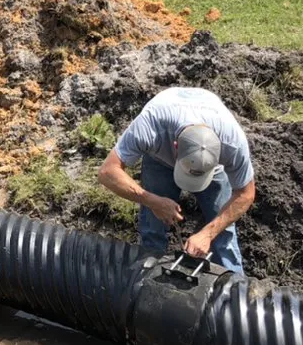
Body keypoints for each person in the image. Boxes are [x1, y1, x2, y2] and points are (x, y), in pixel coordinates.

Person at [96, 87, 256, 273]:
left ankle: (233, 286)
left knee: (223, 234)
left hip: (214, 170)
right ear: (176, 146)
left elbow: (246, 193)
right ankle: (148, 278)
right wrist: (153, 201)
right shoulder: (151, 126)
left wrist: (208, 233)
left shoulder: (233, 143)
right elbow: (107, 172)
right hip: (160, 159)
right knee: (153, 227)